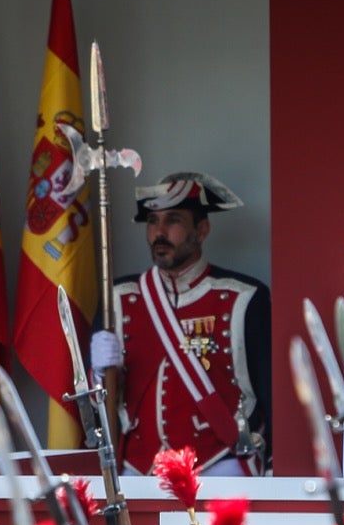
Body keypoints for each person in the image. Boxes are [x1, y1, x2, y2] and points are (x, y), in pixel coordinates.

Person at [89, 172, 271, 477]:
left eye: (173, 220)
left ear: (201, 230)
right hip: (138, 468)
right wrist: (96, 373)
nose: (159, 232)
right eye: (152, 221)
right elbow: (97, 410)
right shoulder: (117, 300)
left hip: (220, 464)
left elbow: (269, 392)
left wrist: (272, 467)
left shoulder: (243, 297)